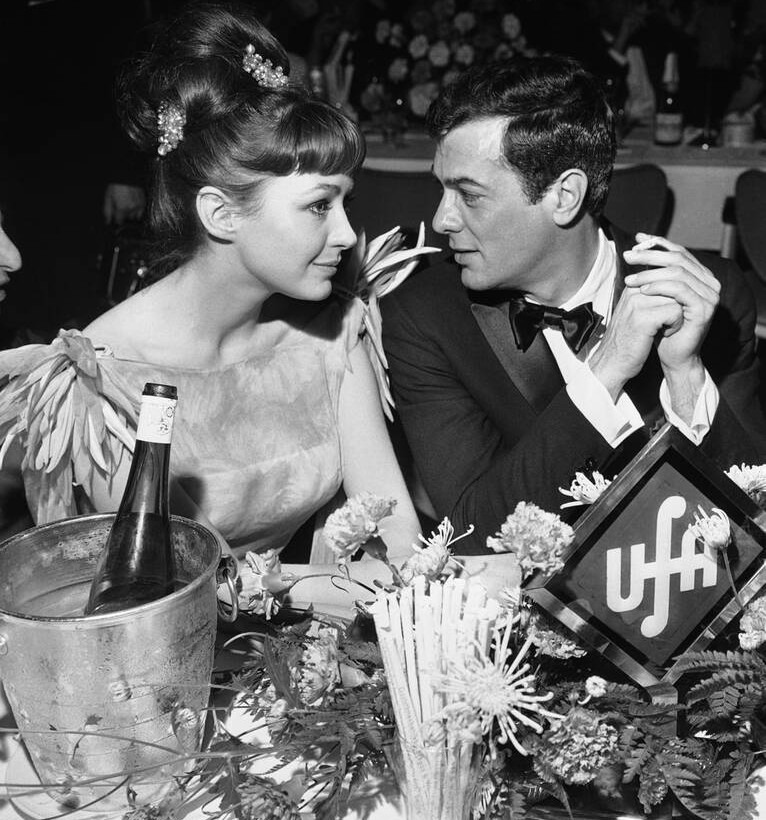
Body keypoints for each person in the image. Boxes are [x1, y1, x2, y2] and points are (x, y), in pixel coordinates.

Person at [0, 1, 435, 613]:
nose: (345, 234)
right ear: (221, 214)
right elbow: (183, 588)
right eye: (319, 205)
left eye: (346, 203)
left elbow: (395, 532)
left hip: (320, 635)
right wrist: (339, 587)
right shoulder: (102, 379)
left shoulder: (334, 329)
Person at [380, 54, 766, 554]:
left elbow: (754, 523)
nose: (441, 219)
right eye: (442, 189)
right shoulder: (425, 318)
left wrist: (686, 375)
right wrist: (604, 373)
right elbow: (473, 535)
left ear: (565, 196)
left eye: (469, 195)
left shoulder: (709, 295)